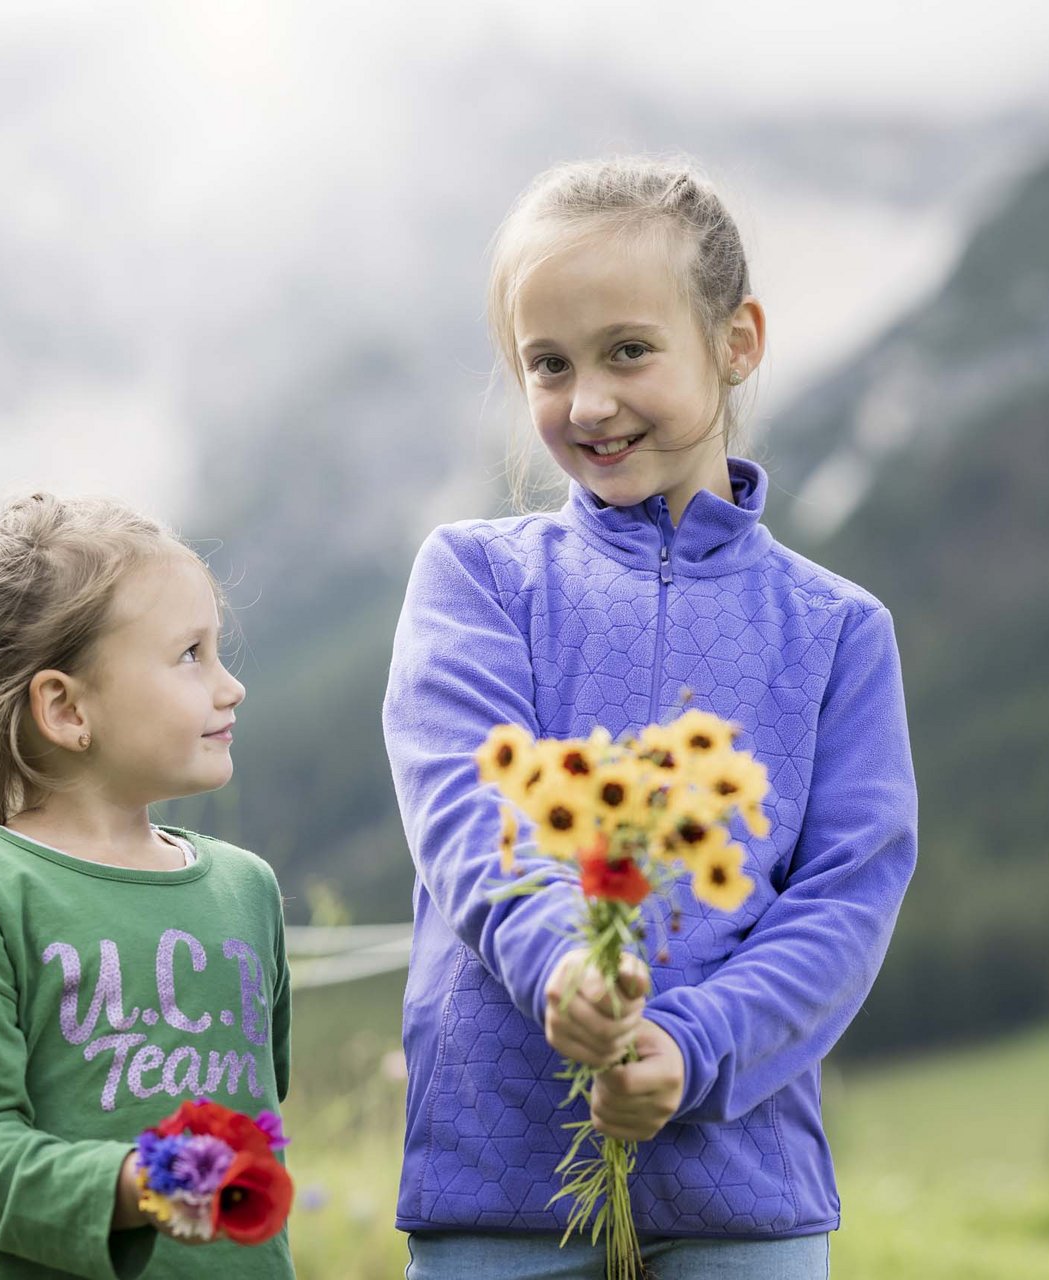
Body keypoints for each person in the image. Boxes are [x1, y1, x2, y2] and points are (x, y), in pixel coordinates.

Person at [384, 156, 918, 1278]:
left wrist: (696, 1041)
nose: (587, 403)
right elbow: (467, 815)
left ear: (737, 340)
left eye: (629, 350)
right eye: (548, 363)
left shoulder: (838, 630)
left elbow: (845, 900)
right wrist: (565, 973)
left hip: (743, 1185)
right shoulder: (476, 579)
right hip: (503, 1174)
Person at [0, 493, 291, 1280]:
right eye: (191, 654)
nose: (231, 687)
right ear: (64, 707)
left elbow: (264, 1110)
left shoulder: (247, 890)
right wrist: (134, 1187)